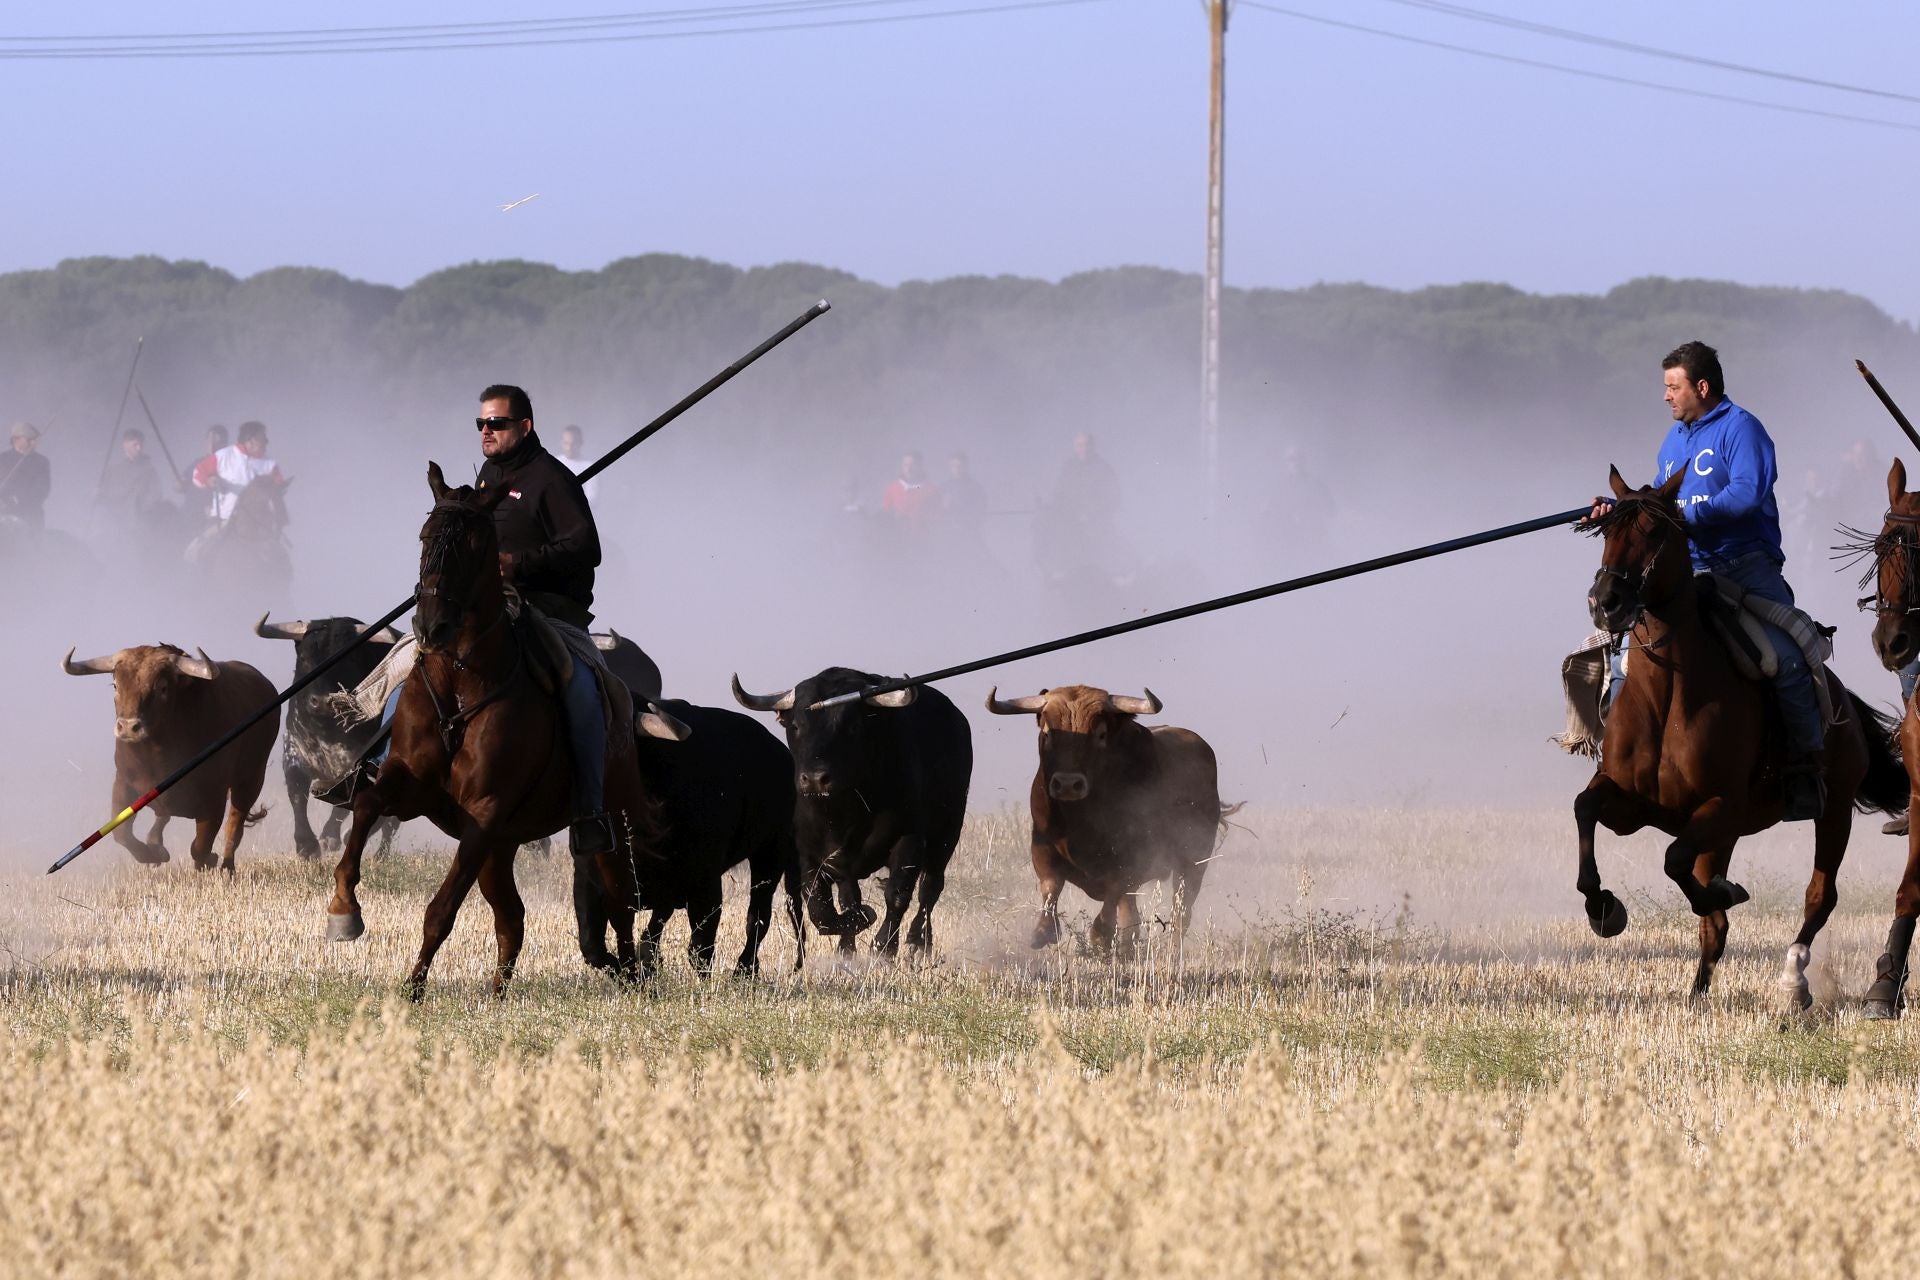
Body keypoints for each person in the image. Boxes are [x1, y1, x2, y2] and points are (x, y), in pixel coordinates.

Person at [318, 385, 615, 858]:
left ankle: (591, 809)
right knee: (413, 664)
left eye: (495, 423)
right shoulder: (487, 478)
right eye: (480, 424)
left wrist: (517, 563)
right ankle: (374, 764)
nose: (485, 432)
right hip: (486, 605)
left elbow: (586, 548)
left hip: (549, 608)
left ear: (524, 426)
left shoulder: (552, 480)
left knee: (580, 684)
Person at [1587, 340, 1825, 821]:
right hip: (1689, 569)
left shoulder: (1744, 430)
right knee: (1616, 651)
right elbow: (1656, 500)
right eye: (1665, 387)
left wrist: (1683, 511)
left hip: (1747, 566)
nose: (1666, 397)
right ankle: (1620, 756)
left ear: (1701, 386)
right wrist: (1619, 507)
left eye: (1672, 386)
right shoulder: (1673, 441)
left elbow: (1745, 495)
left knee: (1786, 658)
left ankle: (1805, 767)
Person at [191, 421, 285, 523]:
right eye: (263, 438)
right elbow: (198, 473)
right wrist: (208, 481)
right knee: (209, 539)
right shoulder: (223, 456)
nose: (267, 441)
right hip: (223, 519)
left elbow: (279, 487)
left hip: (257, 523)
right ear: (250, 440)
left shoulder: (270, 465)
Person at [97, 427, 163, 529]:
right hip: (115, 524)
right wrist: (98, 495)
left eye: (140, 444)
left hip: (140, 524)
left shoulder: (149, 470)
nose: (139, 448)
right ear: (125, 445)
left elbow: (156, 495)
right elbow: (103, 496)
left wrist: (144, 514)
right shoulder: (113, 470)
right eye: (135, 445)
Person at [0, 422, 51, 529]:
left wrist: (19, 499)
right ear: (16, 440)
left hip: (30, 516)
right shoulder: (2, 459)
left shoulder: (41, 462)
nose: (34, 443)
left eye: (35, 440)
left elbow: (42, 490)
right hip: (4, 514)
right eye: (29, 439)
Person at [881, 451, 937, 525]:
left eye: (912, 465)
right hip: (897, 533)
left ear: (920, 466)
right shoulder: (893, 488)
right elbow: (885, 512)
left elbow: (937, 517)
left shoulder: (931, 490)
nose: (909, 469)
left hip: (923, 534)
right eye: (906, 465)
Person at [941, 451, 988, 538]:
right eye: (954, 466)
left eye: (960, 466)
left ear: (966, 467)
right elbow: (938, 513)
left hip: (969, 533)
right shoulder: (944, 488)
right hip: (948, 534)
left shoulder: (976, 488)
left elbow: (981, 511)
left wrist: (969, 524)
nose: (957, 469)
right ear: (950, 468)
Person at [556, 424, 599, 502]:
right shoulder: (553, 463)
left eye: (573, 444)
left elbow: (592, 499)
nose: (569, 448)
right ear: (561, 442)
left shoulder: (589, 467)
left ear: (580, 443)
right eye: (566, 443)